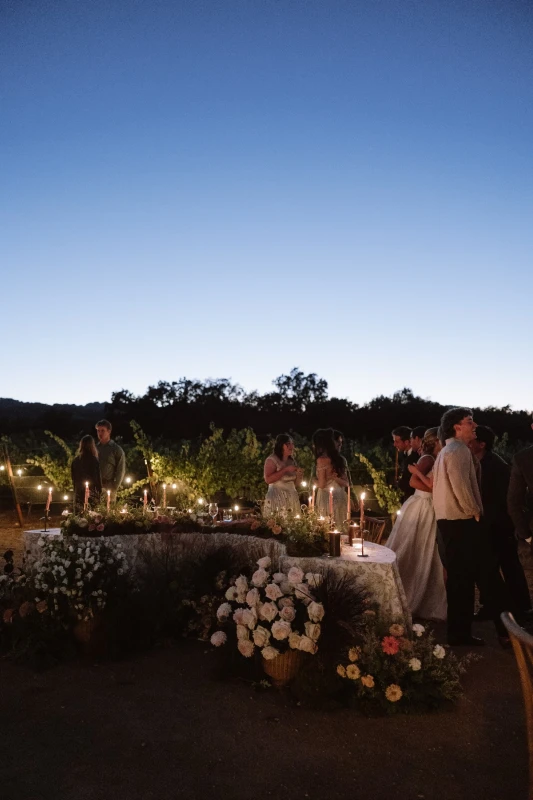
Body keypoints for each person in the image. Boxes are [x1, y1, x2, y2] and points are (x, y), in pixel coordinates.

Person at [433, 407, 507, 646]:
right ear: (457, 427)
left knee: (460, 581)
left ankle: (459, 634)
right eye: (470, 421)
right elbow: (461, 486)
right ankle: (507, 631)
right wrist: (474, 511)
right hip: (462, 523)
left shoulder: (446, 451)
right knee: (487, 578)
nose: (474, 426)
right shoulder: (458, 451)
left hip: (448, 523)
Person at [469, 425, 532, 620]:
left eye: (473, 439)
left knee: (508, 566)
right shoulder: (484, 462)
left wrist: (522, 531)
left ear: (482, 444)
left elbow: (508, 500)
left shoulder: (497, 465)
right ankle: (500, 607)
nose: (468, 442)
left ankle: (520, 609)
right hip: (493, 523)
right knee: (494, 567)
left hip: (500, 524)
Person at [387, 428, 447, 621]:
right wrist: (432, 488)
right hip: (422, 505)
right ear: (435, 441)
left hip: (430, 505)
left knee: (428, 551)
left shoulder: (437, 457)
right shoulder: (427, 458)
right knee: (414, 547)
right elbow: (413, 482)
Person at [313, 428, 350, 530]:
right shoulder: (339, 459)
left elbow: (322, 485)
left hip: (326, 498)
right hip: (340, 496)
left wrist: (314, 482)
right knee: (340, 527)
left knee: (327, 528)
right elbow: (347, 483)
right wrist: (336, 479)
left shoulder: (321, 460)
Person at [508, 416, 533, 543]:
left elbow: (513, 502)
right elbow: (514, 502)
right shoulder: (522, 459)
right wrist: (526, 535)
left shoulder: (523, 458)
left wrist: (526, 536)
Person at [263, 434, 302, 516]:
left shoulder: (292, 461)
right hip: (277, 497)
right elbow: (268, 480)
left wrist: (299, 475)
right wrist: (285, 470)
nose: (292, 446)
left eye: (292, 444)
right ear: (281, 445)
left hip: (292, 497)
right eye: (288, 443)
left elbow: (296, 484)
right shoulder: (272, 459)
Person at [95, 419, 126, 502]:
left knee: (108, 509)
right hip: (95, 487)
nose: (100, 433)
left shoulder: (116, 449)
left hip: (109, 486)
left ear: (109, 431)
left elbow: (121, 470)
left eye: (102, 430)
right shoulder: (95, 448)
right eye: (98, 431)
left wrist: (115, 487)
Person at [71, 435, 102, 508]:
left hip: (78, 493)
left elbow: (73, 478)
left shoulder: (75, 461)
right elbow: (97, 479)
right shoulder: (94, 460)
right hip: (91, 494)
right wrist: (99, 493)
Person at [392, 425, 417, 501]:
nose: (394, 444)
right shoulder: (405, 455)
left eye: (397, 442)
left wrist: (399, 483)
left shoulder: (414, 457)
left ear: (406, 442)